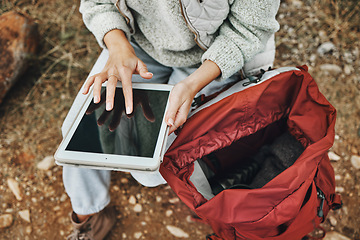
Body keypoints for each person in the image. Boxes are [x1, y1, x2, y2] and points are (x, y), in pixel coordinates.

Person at [63, 0, 280, 239]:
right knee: (76, 135)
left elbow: (248, 30)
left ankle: (214, 164)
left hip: (213, 58)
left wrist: (192, 85)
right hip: (137, 45)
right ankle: (88, 215)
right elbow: (97, 3)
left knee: (152, 170)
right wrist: (117, 45)